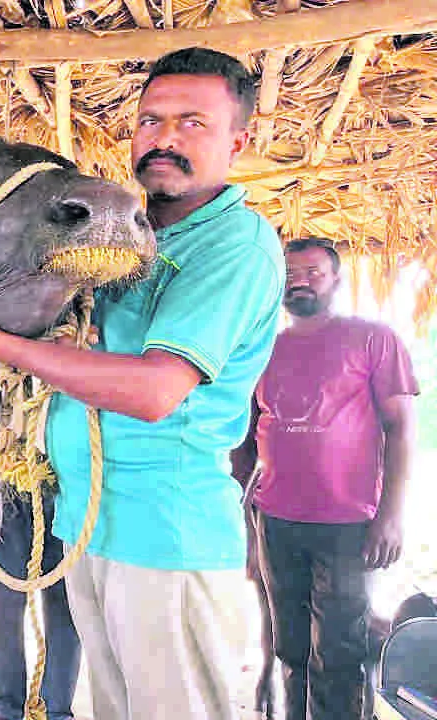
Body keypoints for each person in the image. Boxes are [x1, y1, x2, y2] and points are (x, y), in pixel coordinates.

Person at [0, 47, 284, 720]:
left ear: (238, 142)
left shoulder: (235, 246)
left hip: (166, 539)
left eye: (192, 123)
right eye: (151, 121)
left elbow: (154, 392)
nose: (164, 138)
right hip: (91, 526)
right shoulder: (123, 236)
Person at [235, 236, 418, 720]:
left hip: (349, 523)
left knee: (339, 651)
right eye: (290, 274)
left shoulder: (373, 338)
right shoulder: (263, 349)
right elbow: (244, 437)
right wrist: (247, 523)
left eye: (313, 272)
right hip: (276, 521)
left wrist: (391, 517)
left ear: (337, 279)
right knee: (290, 648)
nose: (299, 281)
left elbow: (402, 429)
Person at [0, 492, 81, 720]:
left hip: (64, 489)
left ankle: (54, 712)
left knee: (64, 608)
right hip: (10, 487)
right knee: (5, 607)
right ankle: (9, 711)